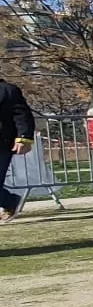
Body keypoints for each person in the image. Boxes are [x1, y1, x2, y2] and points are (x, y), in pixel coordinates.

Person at [0, 73, 35, 221]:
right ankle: (9, 201)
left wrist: (24, 137)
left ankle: (10, 201)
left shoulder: (8, 90)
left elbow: (22, 115)